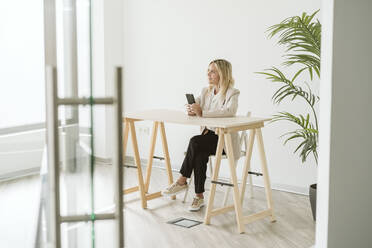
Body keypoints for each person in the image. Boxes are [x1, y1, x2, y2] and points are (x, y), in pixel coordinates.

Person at [162, 59, 241, 211]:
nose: (209, 74)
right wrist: (192, 109)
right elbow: (197, 106)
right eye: (208, 71)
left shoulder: (233, 92)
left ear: (222, 73)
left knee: (194, 141)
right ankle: (199, 197)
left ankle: (181, 180)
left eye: (213, 71)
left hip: (224, 140)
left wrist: (202, 112)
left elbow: (230, 112)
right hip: (208, 137)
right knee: (199, 155)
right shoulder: (206, 91)